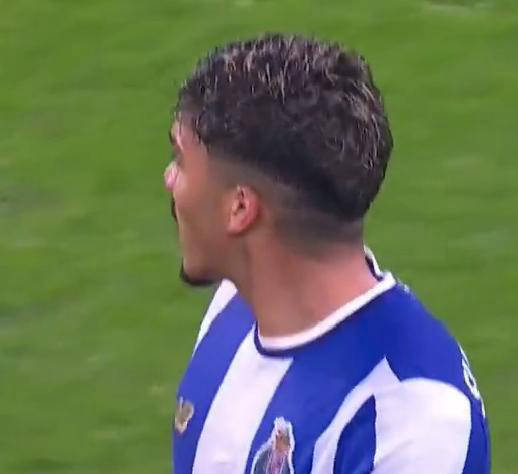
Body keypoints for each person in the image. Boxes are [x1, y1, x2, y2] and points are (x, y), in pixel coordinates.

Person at [164, 34, 490, 474]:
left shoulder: (408, 421)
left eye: (181, 161)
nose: (169, 180)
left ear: (240, 208)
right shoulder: (235, 306)